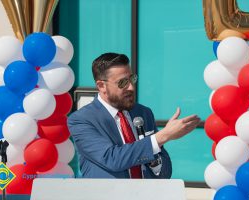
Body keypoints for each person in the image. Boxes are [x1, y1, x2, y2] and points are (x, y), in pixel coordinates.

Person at [68, 53, 200, 178]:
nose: (131, 87)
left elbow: (164, 173)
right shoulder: (81, 120)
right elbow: (112, 158)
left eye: (131, 79)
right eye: (122, 83)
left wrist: (154, 162)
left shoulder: (143, 113)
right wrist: (163, 136)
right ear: (102, 86)